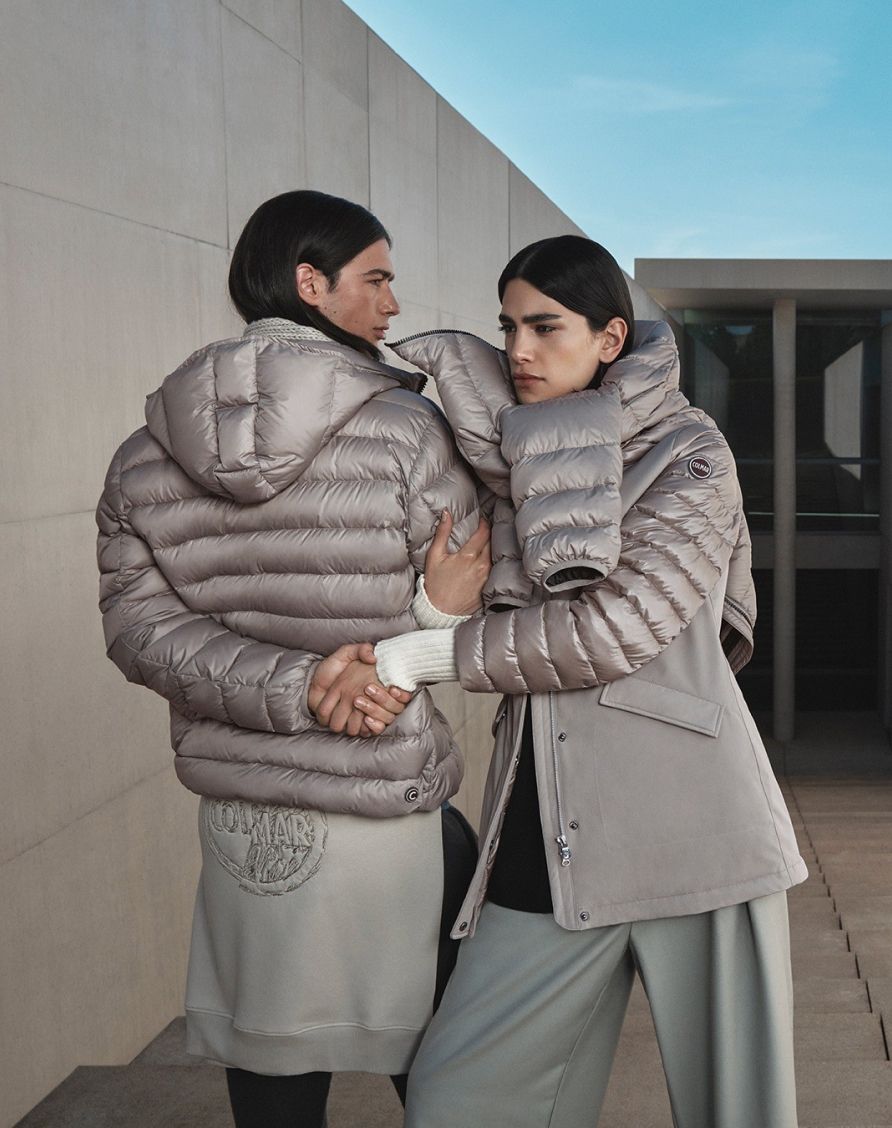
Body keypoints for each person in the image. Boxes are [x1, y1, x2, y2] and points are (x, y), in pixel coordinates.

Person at [314, 235, 807, 1127]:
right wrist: (428, 616)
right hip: (551, 827)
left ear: (611, 337)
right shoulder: (507, 458)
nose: (519, 349)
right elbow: (472, 593)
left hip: (693, 831)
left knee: (737, 1111)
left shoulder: (690, 456)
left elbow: (614, 630)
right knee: (456, 1097)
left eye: (546, 327)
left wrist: (409, 660)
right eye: (508, 327)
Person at [96, 189, 491, 1128]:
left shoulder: (141, 458)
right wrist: (394, 650)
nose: (394, 303)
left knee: (271, 1066)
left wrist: (297, 684)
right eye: (377, 278)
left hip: (246, 818)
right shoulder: (410, 433)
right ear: (311, 283)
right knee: (450, 1067)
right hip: (383, 795)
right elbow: (473, 598)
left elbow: (138, 633)